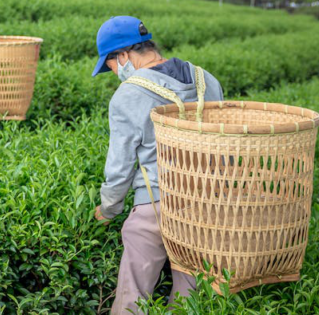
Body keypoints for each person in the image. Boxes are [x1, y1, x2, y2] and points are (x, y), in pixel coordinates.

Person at [91, 16, 224, 314]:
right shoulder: (207, 79)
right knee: (189, 299)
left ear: (123, 55)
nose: (113, 72)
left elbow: (120, 167)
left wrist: (108, 209)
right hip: (207, 203)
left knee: (132, 297)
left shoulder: (128, 94)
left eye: (110, 64)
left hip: (156, 205)